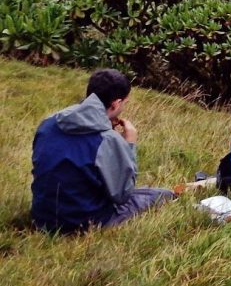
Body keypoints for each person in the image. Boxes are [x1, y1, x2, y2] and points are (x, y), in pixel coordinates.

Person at [31, 68, 175, 233]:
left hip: (41, 217)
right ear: (116, 103)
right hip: (81, 223)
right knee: (161, 194)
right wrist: (129, 144)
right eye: (125, 103)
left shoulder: (48, 123)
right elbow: (122, 194)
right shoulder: (107, 140)